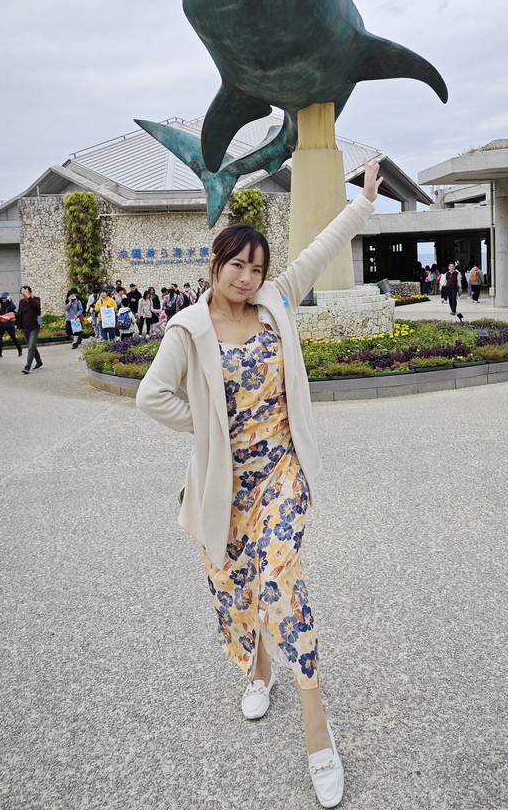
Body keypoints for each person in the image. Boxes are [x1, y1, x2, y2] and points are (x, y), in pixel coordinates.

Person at [135, 159, 383, 808]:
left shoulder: (275, 301)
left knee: (279, 581)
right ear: (214, 265)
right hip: (225, 488)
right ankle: (256, 668)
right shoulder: (188, 330)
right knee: (234, 593)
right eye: (236, 265)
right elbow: (151, 397)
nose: (248, 279)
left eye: (257, 268)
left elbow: (323, 247)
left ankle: (317, 732)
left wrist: (364, 203)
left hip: (283, 475)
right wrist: (208, 427)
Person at [0, 292, 22, 359]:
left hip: (9, 324)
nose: (3, 299)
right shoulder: (0, 305)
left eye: (5, 298)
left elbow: (14, 307)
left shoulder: (10, 305)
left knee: (13, 338)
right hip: (1, 324)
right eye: (2, 298)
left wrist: (10, 300)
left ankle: (20, 350)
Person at [17, 286, 42, 375]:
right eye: (22, 294)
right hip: (25, 327)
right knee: (32, 346)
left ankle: (27, 366)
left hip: (34, 327)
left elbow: (36, 305)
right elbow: (19, 313)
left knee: (31, 347)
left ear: (30, 292)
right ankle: (39, 362)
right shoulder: (22, 302)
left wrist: (29, 297)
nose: (24, 296)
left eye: (25, 294)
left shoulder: (36, 299)